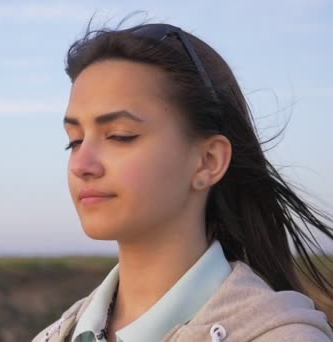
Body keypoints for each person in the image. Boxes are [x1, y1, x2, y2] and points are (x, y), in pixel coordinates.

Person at [31, 17, 333, 342]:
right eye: (74, 140)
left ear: (208, 161)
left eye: (119, 136)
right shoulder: (57, 335)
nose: (81, 164)